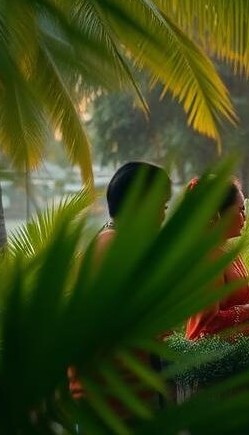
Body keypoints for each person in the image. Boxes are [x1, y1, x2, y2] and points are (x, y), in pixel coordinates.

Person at [68, 161, 173, 416]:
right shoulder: (114, 249)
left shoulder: (114, 242)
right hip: (114, 394)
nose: (163, 216)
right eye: (161, 206)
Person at [185, 178, 249, 339]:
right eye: (240, 209)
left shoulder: (228, 251)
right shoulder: (207, 259)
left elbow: (231, 304)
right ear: (217, 214)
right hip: (210, 352)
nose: (245, 216)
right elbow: (208, 324)